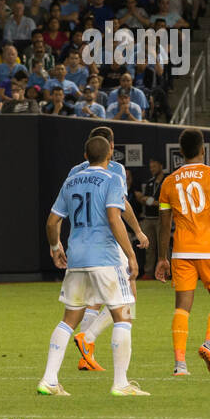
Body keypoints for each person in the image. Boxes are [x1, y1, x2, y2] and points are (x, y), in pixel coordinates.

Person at [39, 135, 147, 397]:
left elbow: (53, 222)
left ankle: (49, 380)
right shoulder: (112, 178)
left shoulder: (71, 180)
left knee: (68, 320)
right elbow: (114, 217)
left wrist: (55, 248)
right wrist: (130, 254)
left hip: (76, 258)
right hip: (106, 259)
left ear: (85, 156)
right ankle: (121, 384)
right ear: (109, 156)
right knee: (123, 315)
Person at [154, 129, 210, 377]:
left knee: (182, 307)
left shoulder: (169, 181)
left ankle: (180, 365)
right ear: (203, 149)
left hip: (181, 251)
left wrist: (162, 258)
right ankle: (209, 343)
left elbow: (164, 223)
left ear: (181, 152)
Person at [68, 127, 150, 373]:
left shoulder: (74, 172)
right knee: (128, 298)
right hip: (108, 244)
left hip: (80, 246)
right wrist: (137, 232)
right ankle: (89, 338)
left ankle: (86, 355)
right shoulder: (115, 171)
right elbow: (120, 207)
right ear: (110, 147)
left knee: (93, 300)